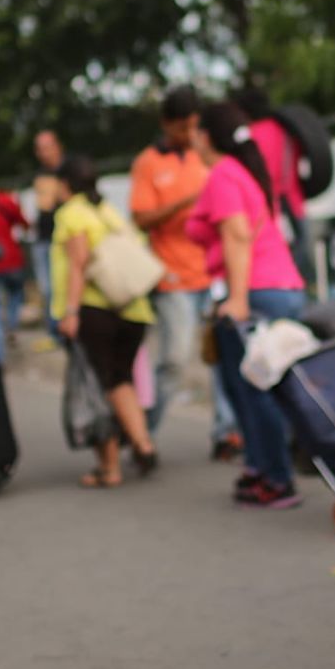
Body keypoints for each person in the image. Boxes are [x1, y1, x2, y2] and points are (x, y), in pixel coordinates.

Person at [188, 102, 308, 510]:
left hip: (256, 292)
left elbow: (237, 235)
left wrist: (237, 299)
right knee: (250, 386)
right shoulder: (244, 173)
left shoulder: (223, 174)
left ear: (205, 136)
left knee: (254, 388)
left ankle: (277, 478)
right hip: (280, 287)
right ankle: (260, 468)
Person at [130, 84, 240, 456]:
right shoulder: (148, 162)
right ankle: (142, 434)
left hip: (213, 274)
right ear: (166, 124)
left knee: (223, 357)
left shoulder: (206, 155)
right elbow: (140, 218)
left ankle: (225, 433)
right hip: (173, 277)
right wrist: (185, 203)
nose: (190, 134)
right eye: (182, 127)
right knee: (175, 360)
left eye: (195, 126)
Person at [52, 155, 159, 488]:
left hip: (97, 309)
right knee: (120, 379)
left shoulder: (72, 213)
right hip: (134, 309)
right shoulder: (108, 211)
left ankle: (109, 467)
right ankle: (143, 443)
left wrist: (70, 312)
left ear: (65, 184)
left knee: (95, 386)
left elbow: (78, 263)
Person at [236, 86, 313, 281]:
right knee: (300, 252)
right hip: (294, 203)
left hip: (265, 208)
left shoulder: (249, 136)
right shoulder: (288, 131)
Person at [0, 184, 31, 365]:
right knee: (15, 295)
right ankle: (12, 325)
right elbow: (25, 224)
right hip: (12, 259)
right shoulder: (7, 202)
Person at [30, 129, 65, 350]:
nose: (44, 153)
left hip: (64, 240)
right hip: (44, 238)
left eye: (47, 147)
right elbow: (42, 206)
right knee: (47, 289)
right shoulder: (40, 175)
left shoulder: (68, 171)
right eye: (40, 148)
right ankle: (55, 333)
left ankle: (65, 330)